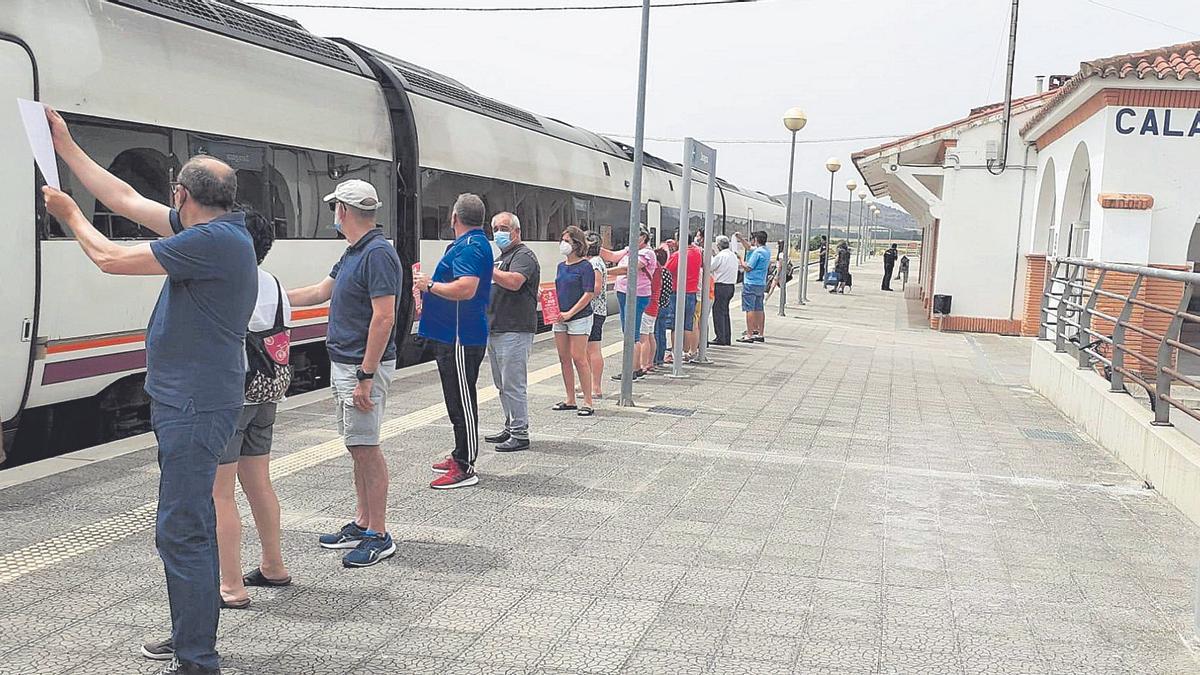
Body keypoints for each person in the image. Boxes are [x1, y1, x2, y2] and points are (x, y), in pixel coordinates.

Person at [44, 108, 256, 675]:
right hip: (192, 399)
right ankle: (192, 634)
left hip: (194, 405)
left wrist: (68, 213)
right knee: (188, 523)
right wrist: (65, 146)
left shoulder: (212, 241)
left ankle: (197, 657)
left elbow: (110, 256)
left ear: (182, 193)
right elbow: (123, 199)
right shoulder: (214, 230)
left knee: (182, 527)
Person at [290, 179, 400, 566]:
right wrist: (270, 297)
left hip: (360, 367)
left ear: (344, 211)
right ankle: (362, 520)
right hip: (347, 363)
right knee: (356, 446)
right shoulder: (354, 252)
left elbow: (384, 317)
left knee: (367, 448)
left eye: (335, 207)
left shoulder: (377, 254)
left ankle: (379, 533)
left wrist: (366, 376)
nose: (333, 214)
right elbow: (322, 291)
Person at [212, 210, 292, 611]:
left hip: (231, 395)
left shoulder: (227, 284)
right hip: (266, 393)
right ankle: (273, 565)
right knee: (259, 481)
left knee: (219, 493)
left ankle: (230, 586)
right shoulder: (274, 284)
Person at [416, 194, 494, 489]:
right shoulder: (468, 245)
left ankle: (466, 465)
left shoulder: (471, 247)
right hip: (451, 334)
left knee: (462, 399)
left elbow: (466, 288)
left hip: (461, 336)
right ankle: (460, 452)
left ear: (454, 218)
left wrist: (430, 285)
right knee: (456, 398)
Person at [485, 212, 539, 452]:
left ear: (516, 232)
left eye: (504, 228)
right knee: (502, 383)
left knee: (513, 383)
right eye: (495, 228)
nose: (499, 232)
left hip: (515, 329)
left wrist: (487, 269)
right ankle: (510, 425)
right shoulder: (501, 258)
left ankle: (520, 433)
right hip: (497, 328)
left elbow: (514, 281)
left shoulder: (523, 256)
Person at [600, 227, 657, 382]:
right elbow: (612, 256)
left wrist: (602, 271)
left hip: (637, 295)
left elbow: (628, 268)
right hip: (624, 293)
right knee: (628, 331)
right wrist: (590, 246)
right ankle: (635, 367)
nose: (631, 237)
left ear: (644, 237)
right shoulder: (629, 249)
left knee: (632, 333)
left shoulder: (647, 253)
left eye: (635, 234)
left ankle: (631, 369)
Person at [551, 226, 596, 415]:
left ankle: (588, 401)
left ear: (577, 244)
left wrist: (571, 312)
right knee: (564, 358)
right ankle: (570, 398)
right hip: (559, 316)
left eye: (567, 241)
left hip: (579, 317)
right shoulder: (561, 266)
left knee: (579, 358)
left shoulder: (586, 267)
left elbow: (589, 293)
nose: (563, 244)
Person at [665, 233, 703, 361]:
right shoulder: (697, 253)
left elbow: (667, 270)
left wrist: (670, 252)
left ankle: (676, 353)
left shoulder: (678, 255)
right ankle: (686, 353)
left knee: (675, 325)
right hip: (691, 292)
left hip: (676, 292)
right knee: (687, 324)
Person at [737, 231, 771, 343]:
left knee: (749, 309)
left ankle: (749, 334)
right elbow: (749, 247)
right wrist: (741, 239)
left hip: (750, 283)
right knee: (759, 308)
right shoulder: (766, 251)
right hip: (761, 283)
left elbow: (748, 267)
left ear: (756, 240)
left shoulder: (757, 252)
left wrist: (741, 259)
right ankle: (760, 333)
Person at [585, 232, 608, 399]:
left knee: (593, 349)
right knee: (587, 349)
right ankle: (589, 382)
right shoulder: (596, 262)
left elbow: (596, 287)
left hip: (594, 310)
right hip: (594, 310)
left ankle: (596, 386)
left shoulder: (594, 263)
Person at [709, 235, 738, 346]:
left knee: (718, 312)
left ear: (718, 245)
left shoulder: (720, 256)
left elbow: (711, 267)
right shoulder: (732, 255)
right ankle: (727, 337)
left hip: (721, 286)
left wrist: (712, 256)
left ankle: (720, 337)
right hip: (730, 286)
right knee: (725, 312)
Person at [644, 247, 669, 371]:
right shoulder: (667, 273)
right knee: (657, 334)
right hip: (662, 305)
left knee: (648, 335)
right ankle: (657, 359)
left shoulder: (655, 272)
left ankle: (647, 363)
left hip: (652, 306)